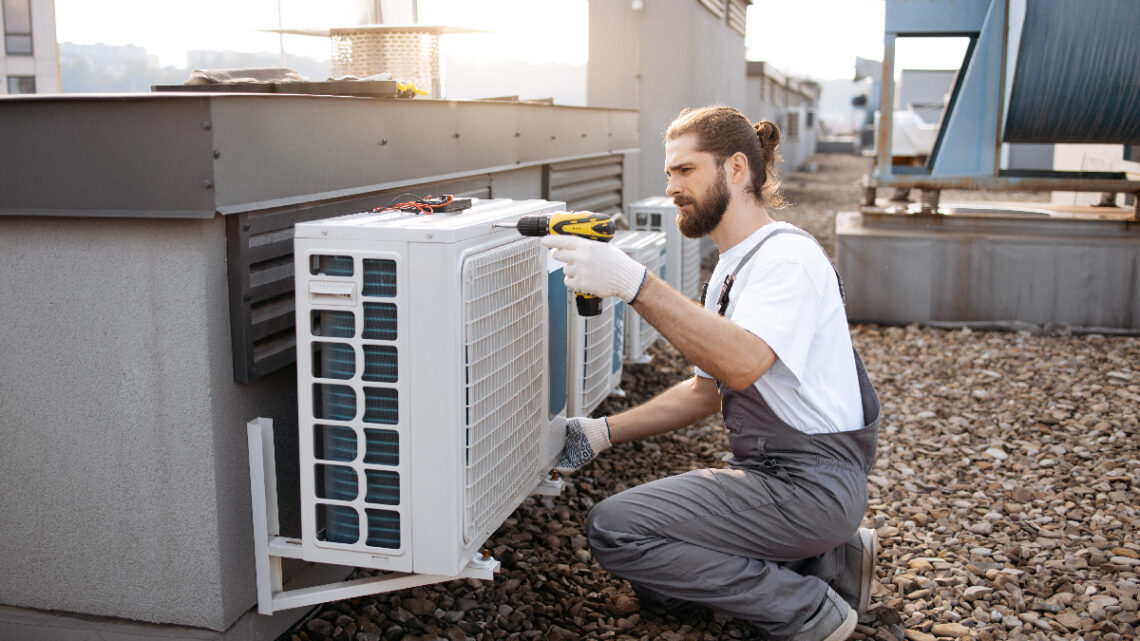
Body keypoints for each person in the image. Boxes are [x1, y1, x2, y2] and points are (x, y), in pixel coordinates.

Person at [541, 105, 881, 641]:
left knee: (617, 531)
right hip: (779, 476)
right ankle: (829, 561)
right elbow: (706, 391)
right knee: (663, 585)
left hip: (810, 484)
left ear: (737, 168)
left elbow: (742, 365)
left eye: (686, 170)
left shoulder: (785, 261)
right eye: (669, 172)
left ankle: (809, 610)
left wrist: (635, 284)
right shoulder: (731, 266)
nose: (672, 187)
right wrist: (601, 433)